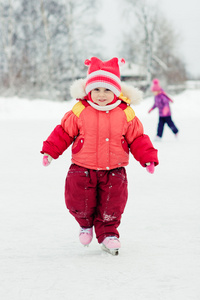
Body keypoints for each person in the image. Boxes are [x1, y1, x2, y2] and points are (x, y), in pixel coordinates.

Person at [41, 57, 159, 255]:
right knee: (78, 201)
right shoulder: (80, 110)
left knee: (113, 204)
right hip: (82, 167)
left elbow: (137, 137)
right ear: (88, 90)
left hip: (115, 168)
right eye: (96, 89)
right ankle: (85, 223)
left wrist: (147, 157)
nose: (101, 95)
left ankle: (109, 233)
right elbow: (64, 132)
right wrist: (50, 150)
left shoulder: (125, 112)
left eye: (107, 90)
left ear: (116, 91)